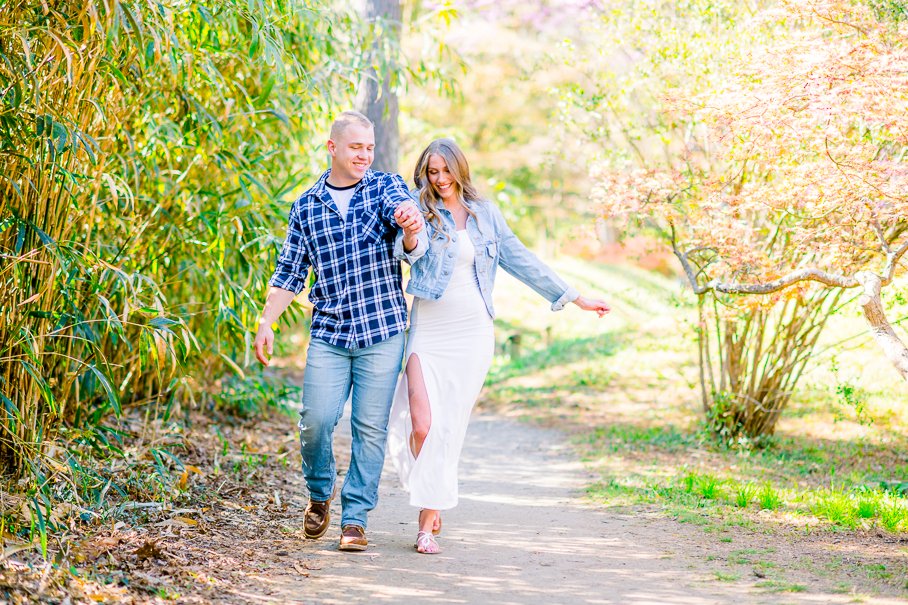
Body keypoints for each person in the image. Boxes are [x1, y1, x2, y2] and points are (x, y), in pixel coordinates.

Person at [386, 138, 610, 554]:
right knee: (422, 426)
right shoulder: (417, 208)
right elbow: (411, 254)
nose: (440, 179)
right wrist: (411, 231)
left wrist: (576, 297)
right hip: (429, 328)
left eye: (446, 171)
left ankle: (426, 524)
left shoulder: (486, 215)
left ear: (460, 169)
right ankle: (435, 498)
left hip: (472, 332)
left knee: (447, 428)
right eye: (432, 172)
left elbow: (522, 260)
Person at [253, 111, 427, 552]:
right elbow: (290, 272)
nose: (365, 155)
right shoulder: (307, 205)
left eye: (369, 148)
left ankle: (355, 519)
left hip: (382, 330)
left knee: (369, 427)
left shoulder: (387, 188)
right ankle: (319, 493)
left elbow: (413, 245)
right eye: (356, 148)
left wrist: (410, 227)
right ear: (333, 148)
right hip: (330, 333)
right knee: (315, 421)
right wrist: (267, 320)